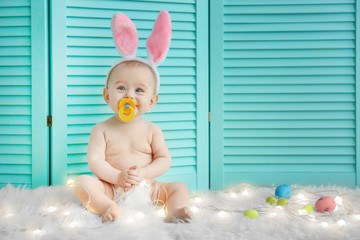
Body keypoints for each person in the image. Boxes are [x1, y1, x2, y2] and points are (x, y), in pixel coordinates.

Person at [73, 10, 193, 223]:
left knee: (179, 188)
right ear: (107, 96)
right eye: (121, 88)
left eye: (139, 90)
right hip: (111, 187)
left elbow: (164, 159)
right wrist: (117, 177)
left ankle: (174, 210)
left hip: (147, 188)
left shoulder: (152, 130)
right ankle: (108, 207)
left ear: (152, 101)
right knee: (83, 183)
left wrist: (145, 173)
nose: (129, 95)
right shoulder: (101, 129)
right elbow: (95, 161)